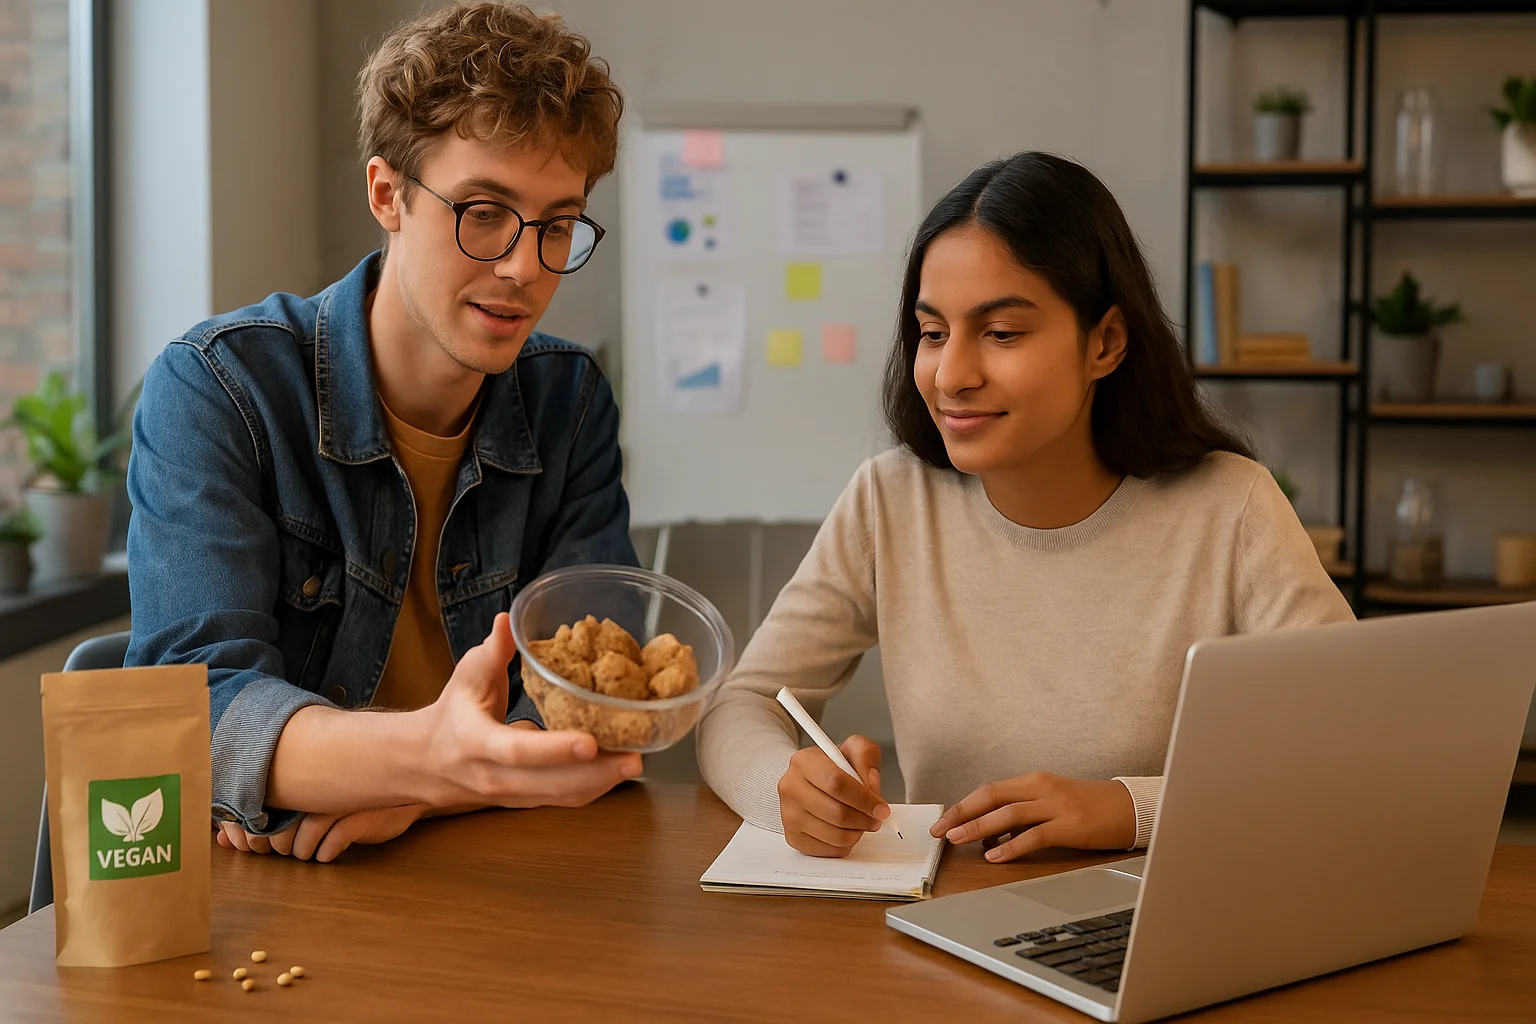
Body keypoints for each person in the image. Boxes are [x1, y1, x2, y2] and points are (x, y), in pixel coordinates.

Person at [696, 151, 1354, 862]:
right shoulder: (891, 500)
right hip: (945, 922)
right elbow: (744, 704)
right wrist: (788, 792)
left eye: (1002, 333)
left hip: (1157, 920)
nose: (951, 375)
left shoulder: (1232, 507)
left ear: (1105, 341)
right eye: (932, 333)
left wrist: (1129, 808)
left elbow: (1346, 748)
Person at [126, 2, 641, 863]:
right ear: (387, 194)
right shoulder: (219, 385)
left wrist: (422, 793)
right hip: (271, 883)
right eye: (483, 210)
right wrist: (435, 765)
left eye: (559, 224)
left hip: (483, 870)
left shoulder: (570, 398)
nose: (523, 265)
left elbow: (590, 701)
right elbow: (189, 715)